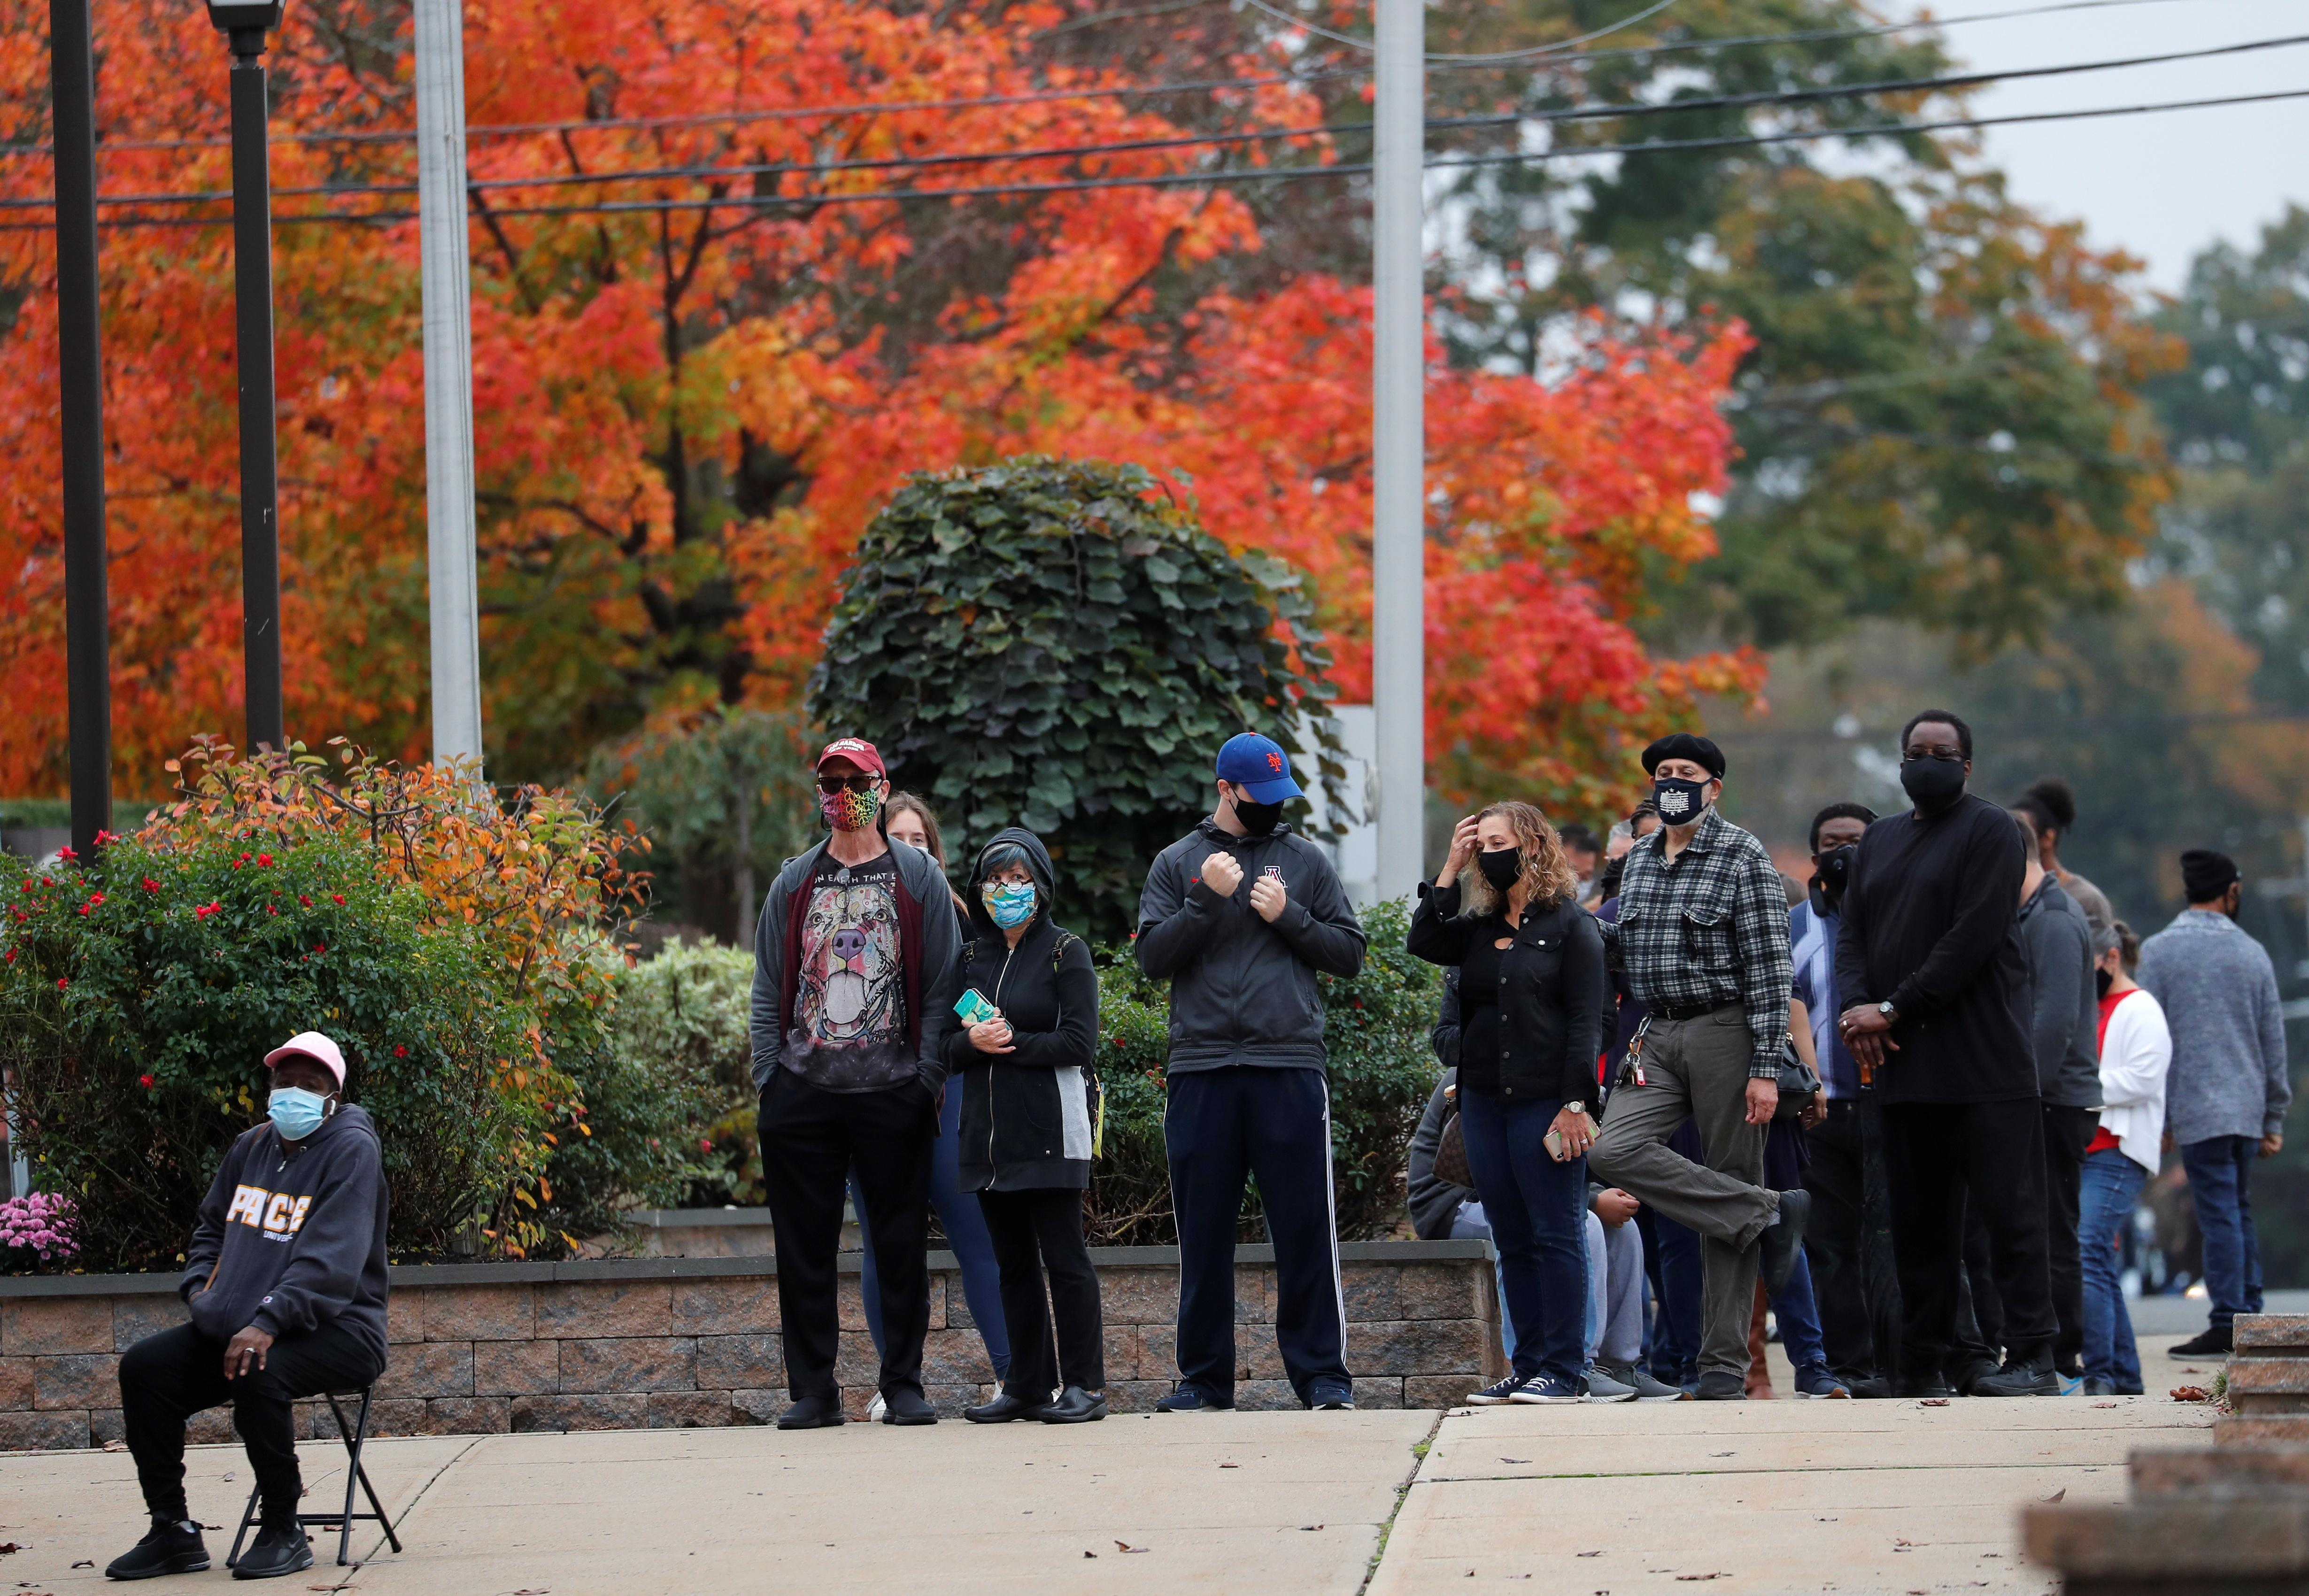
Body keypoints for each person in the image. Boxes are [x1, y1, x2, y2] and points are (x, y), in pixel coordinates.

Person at [1136, 732, 1367, 1411]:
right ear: (1225, 790)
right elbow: (1152, 958)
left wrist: (1288, 914)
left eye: (1278, 796)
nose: (1270, 807)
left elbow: (1348, 952)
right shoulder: (1177, 860)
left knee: (1303, 1229)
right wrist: (1204, 899)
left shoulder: (1304, 859)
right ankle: (1203, 1380)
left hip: (1287, 1064)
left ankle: (1323, 1375)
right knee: (1203, 1234)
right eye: (1256, 796)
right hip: (1202, 1067)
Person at [106, 1033, 388, 1582]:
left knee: (259, 1370)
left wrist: (267, 1321)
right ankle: (173, 1531)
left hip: (343, 1327)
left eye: (311, 1085)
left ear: (333, 1096)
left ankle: (283, 1526)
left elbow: (330, 1261)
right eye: (285, 1082)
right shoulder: (251, 1146)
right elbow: (211, 1227)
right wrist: (200, 1292)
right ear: (270, 1087)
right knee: (145, 1369)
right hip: (242, 1324)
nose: (294, 1094)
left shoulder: (353, 1150)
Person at [1834, 710, 2058, 1397]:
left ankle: (2032, 1357)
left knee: (2009, 1218)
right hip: (1904, 1068)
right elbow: (1853, 936)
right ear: (1900, 761)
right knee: (1918, 1229)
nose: (1926, 761)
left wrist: (1893, 1007)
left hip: (1983, 1065)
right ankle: (1918, 1361)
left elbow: (1973, 936)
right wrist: (1857, 1012)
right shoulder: (1879, 839)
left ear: (1966, 764)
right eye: (1915, 751)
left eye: (1943, 752)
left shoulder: (1992, 830)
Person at [1588, 733, 1808, 1402]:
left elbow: (1774, 967)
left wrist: (1766, 1065)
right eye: (1662, 773)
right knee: (1611, 1148)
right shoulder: (1643, 860)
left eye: (1686, 773)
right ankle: (1767, 1211)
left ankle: (1721, 1366)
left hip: (1726, 1029)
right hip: (1656, 1031)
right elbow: (1620, 947)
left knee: (1726, 1179)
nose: (1672, 782)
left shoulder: (1744, 856)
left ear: (1714, 786)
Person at [749, 737, 962, 1428]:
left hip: (892, 1089)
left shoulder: (916, 877)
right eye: (831, 780)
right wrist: (769, 1081)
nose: (843, 791)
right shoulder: (794, 880)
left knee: (899, 1246)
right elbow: (765, 988)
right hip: (803, 1090)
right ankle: (814, 1390)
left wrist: (925, 1076)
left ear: (881, 782)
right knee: (803, 1249)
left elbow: (941, 986)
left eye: (856, 779)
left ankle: (903, 1382)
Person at [1408, 801, 1608, 1404]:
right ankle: (1528, 1366)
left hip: (1547, 1104)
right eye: (1482, 842)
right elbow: (1425, 939)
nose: (1489, 852)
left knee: (1557, 1233)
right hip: (1484, 1105)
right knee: (1512, 1236)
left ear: (1534, 848)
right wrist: (1451, 865)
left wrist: (1577, 1103)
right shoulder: (1475, 926)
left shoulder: (1573, 927)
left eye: (1500, 841)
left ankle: (1565, 1370)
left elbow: (1586, 1023)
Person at [854, 794, 1011, 1417]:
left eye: (922, 839)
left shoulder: (961, 918)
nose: (913, 849)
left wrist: (984, 1026)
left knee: (980, 1239)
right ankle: (899, 1385)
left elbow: (973, 996)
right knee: (887, 1248)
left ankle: (1014, 1375)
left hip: (951, 1098)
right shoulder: (852, 914)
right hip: (872, 1101)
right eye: (899, 837)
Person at [943, 827, 1106, 1424]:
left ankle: (1085, 1386)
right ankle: (1026, 1386)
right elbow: (942, 1047)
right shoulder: (969, 957)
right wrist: (972, 1043)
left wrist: (1005, 1042)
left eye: (1019, 879)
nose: (1007, 890)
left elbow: (1079, 1042)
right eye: (996, 879)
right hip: (987, 1137)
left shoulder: (1067, 950)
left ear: (1040, 886)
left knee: (1065, 1259)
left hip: (1050, 1128)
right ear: (979, 888)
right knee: (1013, 1265)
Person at [2138, 849, 2292, 1357]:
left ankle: (2229, 1320)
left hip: (2197, 1106)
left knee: (2219, 1211)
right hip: (2247, 1108)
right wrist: (2274, 1114)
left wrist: (2158, 1116)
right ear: (2230, 892)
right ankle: (2246, 1309)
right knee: (2237, 1208)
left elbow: (2152, 1040)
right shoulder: (2252, 953)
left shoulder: (2159, 952)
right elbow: (2273, 1040)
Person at [1789, 802, 1899, 1396]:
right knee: (1830, 1246)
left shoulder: (1901, 920)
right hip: (1821, 1109)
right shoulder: (1792, 928)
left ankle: (1901, 1361)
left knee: (1891, 1238)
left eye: (1857, 841)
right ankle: (1849, 1367)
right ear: (1814, 857)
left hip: (1891, 1105)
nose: (1844, 852)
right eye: (1833, 843)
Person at [2009, 807, 2102, 1380]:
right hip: (2041, 1095)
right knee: (2035, 1228)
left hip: (2055, 1099)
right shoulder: (2028, 915)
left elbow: (2055, 1022)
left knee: (2054, 1233)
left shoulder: (2055, 919)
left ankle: (2062, 1357)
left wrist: (2022, 1092)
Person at [2080, 922, 2169, 1395]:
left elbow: (2144, 1079)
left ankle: (2101, 1373)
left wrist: (2081, 1085)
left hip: (2118, 1149)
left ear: (2111, 959)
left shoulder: (2141, 1009)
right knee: (2096, 1260)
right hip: (2086, 1146)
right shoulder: (2091, 1007)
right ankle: (2124, 1374)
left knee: (2088, 1249)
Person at [2014, 777, 2115, 935]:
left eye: (2024, 831)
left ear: (2047, 838)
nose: (2015, 837)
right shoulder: (2009, 896)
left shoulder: (2086, 900)